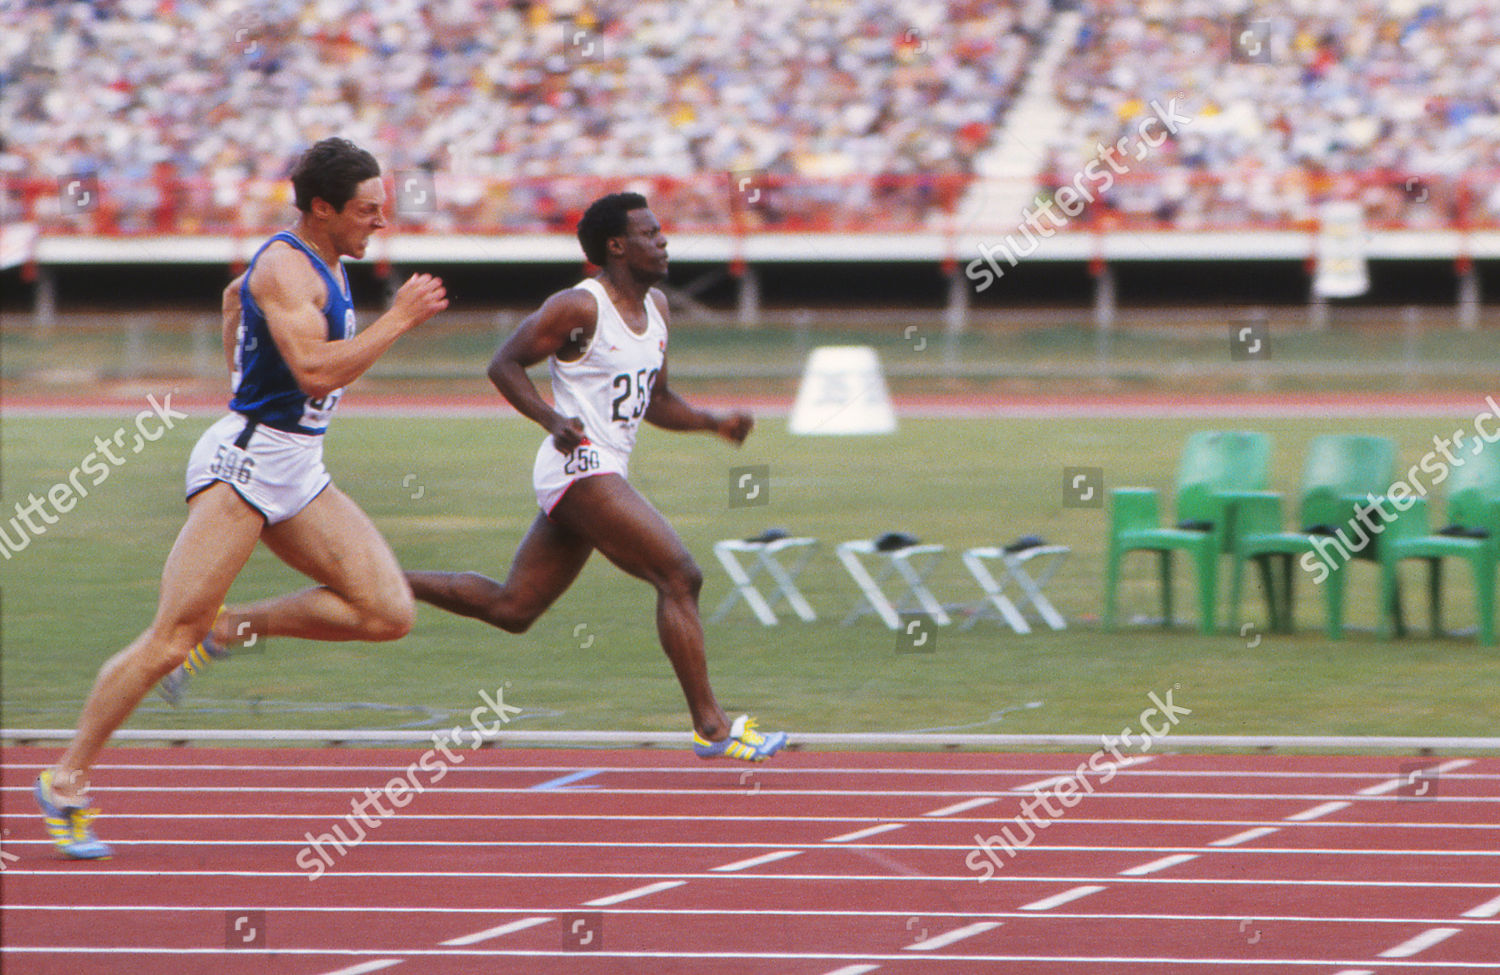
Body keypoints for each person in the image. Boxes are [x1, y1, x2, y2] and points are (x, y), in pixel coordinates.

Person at [34, 138, 448, 859]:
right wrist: (400, 320)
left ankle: (229, 628)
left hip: (296, 462)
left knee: (387, 612)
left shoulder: (316, 263)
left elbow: (235, 295)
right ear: (322, 208)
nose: (381, 222)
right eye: (366, 210)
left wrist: (240, 359)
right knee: (168, 639)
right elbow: (316, 371)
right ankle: (65, 779)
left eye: (382, 207)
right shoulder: (288, 265)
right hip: (243, 467)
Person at [406, 192, 786, 762]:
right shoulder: (578, 307)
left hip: (602, 469)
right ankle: (713, 728)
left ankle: (383, 578)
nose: (663, 242)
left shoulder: (656, 308)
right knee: (680, 575)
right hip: (579, 463)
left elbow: (655, 401)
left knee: (514, 610)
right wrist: (550, 418)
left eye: (661, 232)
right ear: (617, 246)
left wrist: (713, 422)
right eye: (650, 233)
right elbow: (503, 364)